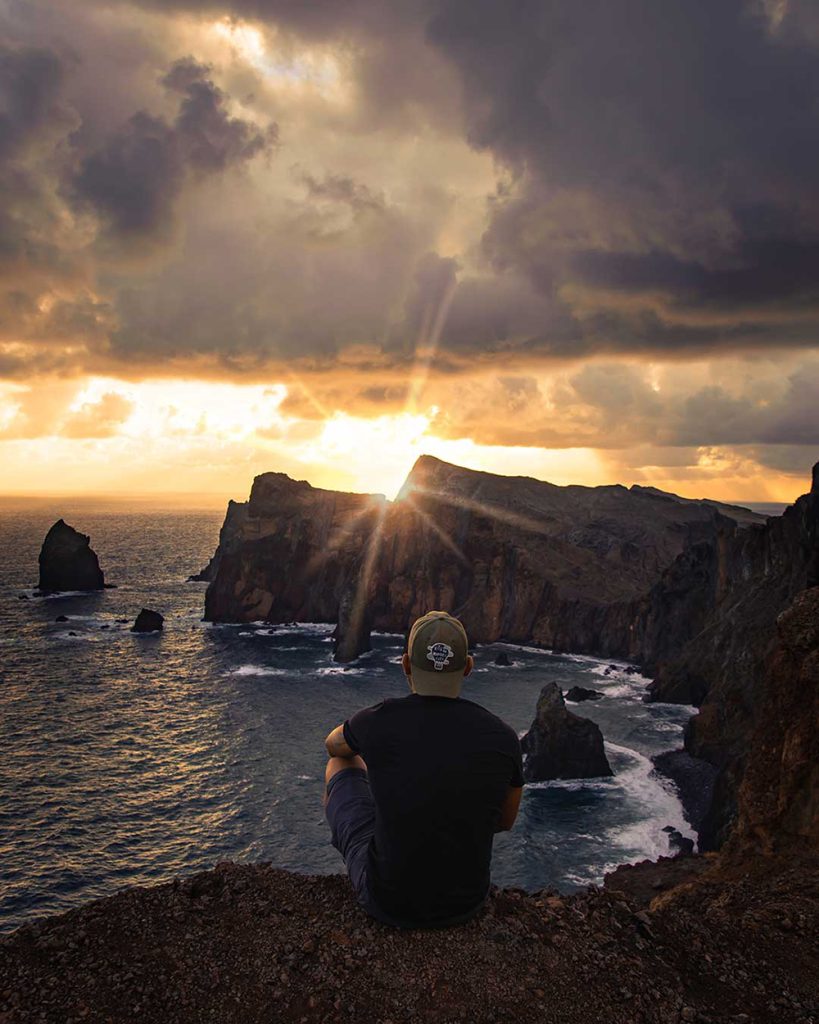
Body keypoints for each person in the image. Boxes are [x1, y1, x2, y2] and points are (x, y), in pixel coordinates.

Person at [322, 609, 524, 929]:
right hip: (466, 902)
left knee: (342, 763)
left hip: (387, 901)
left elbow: (333, 745)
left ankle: (370, 856)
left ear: (405, 664)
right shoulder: (503, 736)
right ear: (468, 668)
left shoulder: (380, 719)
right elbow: (504, 821)